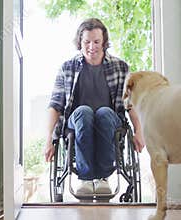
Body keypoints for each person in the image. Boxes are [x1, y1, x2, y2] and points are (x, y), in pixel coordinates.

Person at [44, 18, 145, 196]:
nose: (92, 47)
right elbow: (55, 105)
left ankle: (103, 178)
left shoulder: (120, 67)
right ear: (79, 42)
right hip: (77, 123)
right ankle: (85, 178)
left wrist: (139, 131)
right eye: (87, 42)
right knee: (84, 112)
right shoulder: (68, 68)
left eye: (97, 42)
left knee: (104, 113)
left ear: (104, 42)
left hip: (109, 122)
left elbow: (131, 104)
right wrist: (48, 141)